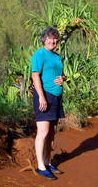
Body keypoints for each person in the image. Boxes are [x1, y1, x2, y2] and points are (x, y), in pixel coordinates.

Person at [31, 26, 65, 180]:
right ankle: (40, 167)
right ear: (44, 39)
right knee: (43, 132)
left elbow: (59, 73)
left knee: (52, 132)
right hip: (45, 95)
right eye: (50, 38)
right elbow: (35, 75)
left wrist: (62, 78)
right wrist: (41, 97)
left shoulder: (56, 56)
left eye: (55, 38)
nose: (53, 41)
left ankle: (47, 162)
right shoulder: (39, 54)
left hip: (57, 97)